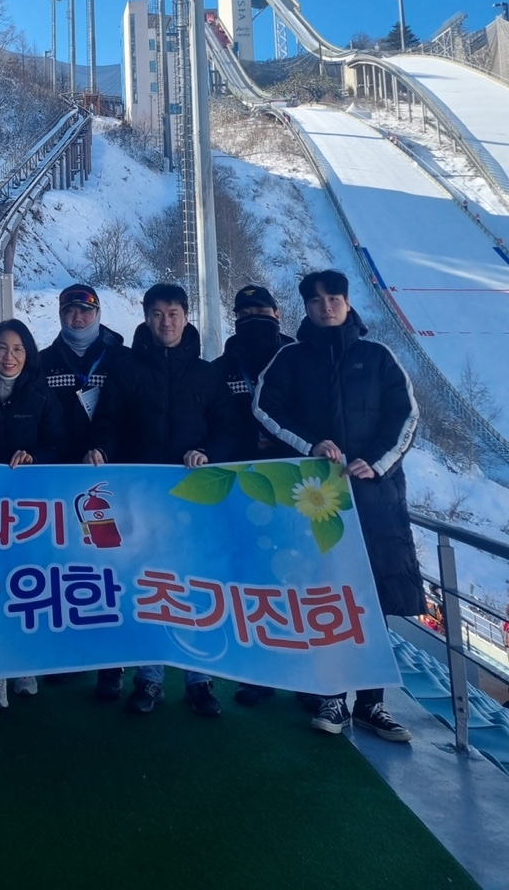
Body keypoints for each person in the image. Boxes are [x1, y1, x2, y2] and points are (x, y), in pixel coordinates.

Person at [254, 269, 423, 743]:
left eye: (334, 299)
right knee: (325, 598)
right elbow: (264, 407)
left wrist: (379, 461)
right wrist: (310, 445)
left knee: (373, 600)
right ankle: (331, 695)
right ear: (305, 307)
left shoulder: (378, 355)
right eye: (316, 301)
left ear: (348, 303)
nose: (325, 307)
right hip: (316, 501)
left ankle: (372, 703)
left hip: (375, 501)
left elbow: (407, 415)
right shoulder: (290, 358)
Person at [86, 283, 237, 718]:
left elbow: (229, 429)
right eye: (156, 314)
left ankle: (200, 680)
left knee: (195, 586)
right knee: (150, 586)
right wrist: (101, 449)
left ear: (186, 317)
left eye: (173, 313)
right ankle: (149, 679)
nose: (165, 322)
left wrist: (207, 452)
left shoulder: (208, 375)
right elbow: (109, 422)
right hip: (142, 499)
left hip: (194, 500)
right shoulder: (126, 369)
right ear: (146, 317)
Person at [0, 319, 66, 709]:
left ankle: (24, 664)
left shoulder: (42, 396)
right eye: (3, 348)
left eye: (18, 349)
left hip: (28, 512)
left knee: (26, 588)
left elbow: (59, 446)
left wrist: (34, 457)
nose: (10, 356)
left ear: (28, 354)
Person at [214, 284, 295, 707]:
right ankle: (260, 672)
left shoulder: (299, 359)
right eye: (245, 313)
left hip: (296, 486)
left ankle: (307, 678)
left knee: (299, 580)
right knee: (255, 581)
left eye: (261, 311)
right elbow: (216, 424)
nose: (254, 319)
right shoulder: (223, 367)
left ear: (277, 314)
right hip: (245, 489)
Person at [39, 284, 127, 463]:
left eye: (85, 310)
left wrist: (104, 450)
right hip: (56, 467)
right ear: (60, 315)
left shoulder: (123, 360)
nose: (77, 318)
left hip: (111, 466)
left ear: (98, 313)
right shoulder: (41, 363)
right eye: (70, 311)